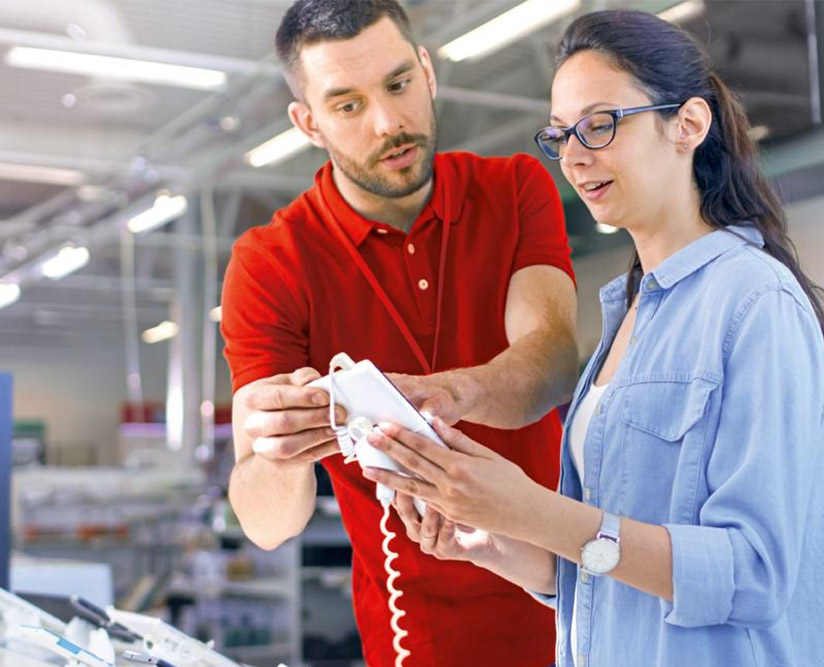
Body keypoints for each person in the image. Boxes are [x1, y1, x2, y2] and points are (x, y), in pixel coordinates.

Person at [364, 9, 824, 667]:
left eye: (600, 124)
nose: (575, 157)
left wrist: (534, 510)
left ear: (688, 125)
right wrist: (492, 532)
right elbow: (604, 569)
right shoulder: (628, 311)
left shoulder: (755, 300)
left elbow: (753, 570)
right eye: (560, 135)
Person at [219, 1, 579, 666]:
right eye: (348, 105)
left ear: (428, 70)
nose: (389, 122)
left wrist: (440, 397)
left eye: (397, 84)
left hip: (571, 597)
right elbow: (268, 525)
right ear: (308, 122)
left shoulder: (515, 188)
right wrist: (281, 449)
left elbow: (552, 362)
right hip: (416, 633)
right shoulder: (271, 262)